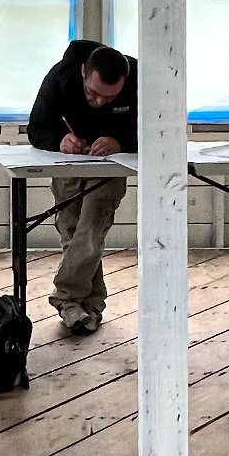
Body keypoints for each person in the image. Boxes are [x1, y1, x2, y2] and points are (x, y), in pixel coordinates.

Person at [25, 39, 138, 334]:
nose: (100, 102)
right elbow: (37, 127)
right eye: (93, 93)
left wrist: (121, 142)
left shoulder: (141, 78)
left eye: (109, 98)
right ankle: (90, 306)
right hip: (69, 160)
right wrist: (59, 141)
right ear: (83, 73)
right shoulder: (60, 76)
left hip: (113, 164)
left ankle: (65, 298)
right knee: (72, 230)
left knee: (91, 228)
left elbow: (161, 127)